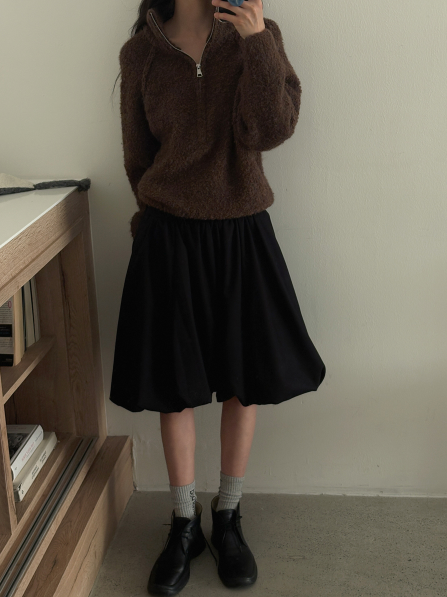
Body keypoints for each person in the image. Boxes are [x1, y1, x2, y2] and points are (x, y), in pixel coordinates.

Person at [109, 0, 326, 594]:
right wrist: (150, 228)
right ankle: (185, 523)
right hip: (167, 236)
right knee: (173, 386)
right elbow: (136, 156)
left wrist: (256, 42)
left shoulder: (258, 34)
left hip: (241, 232)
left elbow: (271, 128)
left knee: (241, 378)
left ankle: (227, 515)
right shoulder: (141, 52)